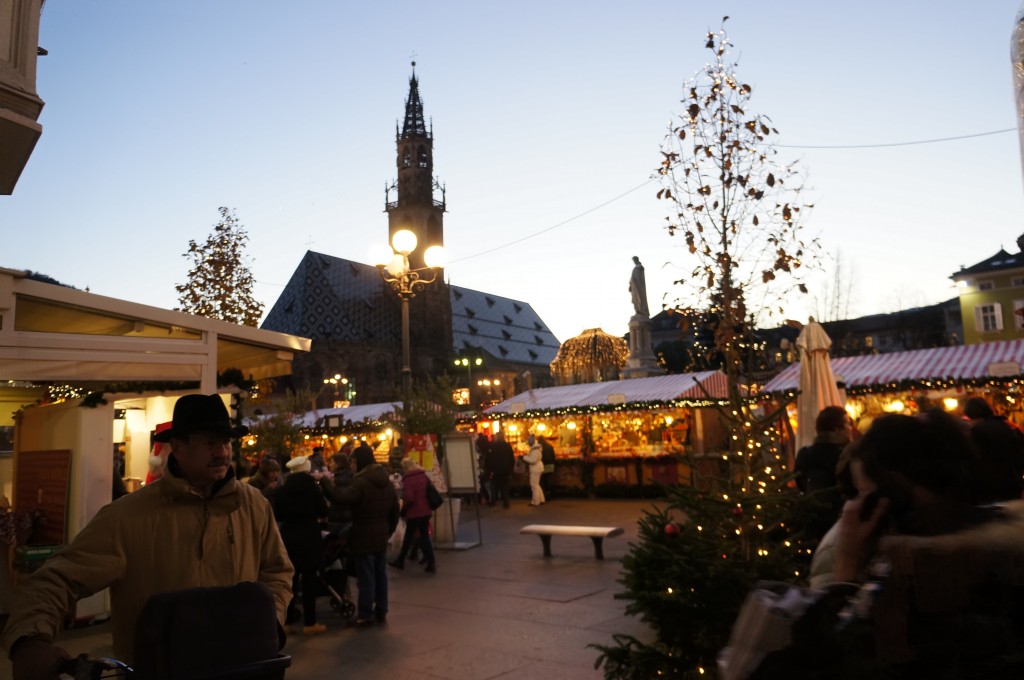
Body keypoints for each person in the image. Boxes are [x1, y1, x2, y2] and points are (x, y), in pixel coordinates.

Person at [2, 394, 294, 679]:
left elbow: (277, 571)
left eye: (226, 442)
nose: (222, 453)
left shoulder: (253, 505)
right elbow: (58, 579)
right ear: (177, 447)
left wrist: (270, 622)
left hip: (240, 668)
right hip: (158, 670)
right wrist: (30, 640)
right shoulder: (128, 516)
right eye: (210, 442)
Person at [815, 411, 1024, 676]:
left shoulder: (915, 578)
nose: (854, 510)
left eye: (866, 498)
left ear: (903, 496)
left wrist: (844, 571)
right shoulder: (999, 547)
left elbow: (831, 660)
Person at [330, 446, 399, 626]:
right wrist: (388, 530)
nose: (351, 465)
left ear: (360, 461)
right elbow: (395, 510)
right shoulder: (386, 481)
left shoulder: (361, 483)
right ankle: (381, 609)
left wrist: (324, 482)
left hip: (363, 535)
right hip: (381, 535)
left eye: (353, 461)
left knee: (366, 577)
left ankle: (366, 614)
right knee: (380, 575)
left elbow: (340, 498)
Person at [275, 456, 329, 635]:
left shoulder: (282, 490)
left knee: (290, 582)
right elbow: (323, 510)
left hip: (289, 536)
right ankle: (310, 623)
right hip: (309, 537)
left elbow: (278, 514)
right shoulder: (312, 488)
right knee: (309, 581)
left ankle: (287, 622)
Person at [794, 405, 853, 542]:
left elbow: (799, 481)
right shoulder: (845, 454)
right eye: (848, 424)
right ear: (837, 429)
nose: (851, 428)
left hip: (811, 519)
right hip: (839, 519)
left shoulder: (806, 453)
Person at [963, 396, 1024, 503]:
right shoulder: (1004, 425)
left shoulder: (977, 430)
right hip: (1012, 480)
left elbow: (978, 459)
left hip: (992, 485)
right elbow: (1018, 452)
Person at [389, 459, 437, 573]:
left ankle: (401, 561)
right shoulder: (423, 476)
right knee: (424, 536)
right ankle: (431, 562)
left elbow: (410, 498)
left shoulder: (409, 479)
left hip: (415, 512)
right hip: (426, 511)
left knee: (408, 537)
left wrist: (404, 509)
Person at [486, 431, 515, 508]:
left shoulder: (493, 446)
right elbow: (511, 458)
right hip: (505, 469)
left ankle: (493, 500)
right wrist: (510, 468)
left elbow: (489, 459)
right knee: (505, 486)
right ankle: (506, 502)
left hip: (495, 469)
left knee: (493, 485)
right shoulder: (507, 446)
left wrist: (489, 469)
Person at [522, 434, 545, 507]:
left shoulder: (534, 450)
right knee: (537, 484)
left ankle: (536, 501)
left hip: (535, 468)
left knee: (534, 485)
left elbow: (533, 460)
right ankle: (541, 499)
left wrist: (525, 457)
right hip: (538, 468)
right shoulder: (537, 449)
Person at [539, 435, 556, 499]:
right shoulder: (550, 446)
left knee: (543, 480)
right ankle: (550, 493)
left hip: (543, 465)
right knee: (549, 479)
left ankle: (545, 493)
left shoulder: (539, 448)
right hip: (550, 465)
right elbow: (553, 456)